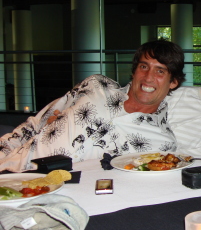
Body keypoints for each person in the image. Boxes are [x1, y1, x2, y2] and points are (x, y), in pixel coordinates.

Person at [0, 40, 185, 172]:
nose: (148, 77)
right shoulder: (96, 86)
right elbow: (34, 124)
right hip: (10, 164)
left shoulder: (161, 143)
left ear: (173, 82)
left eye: (160, 71)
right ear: (134, 71)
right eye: (144, 67)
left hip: (49, 193)